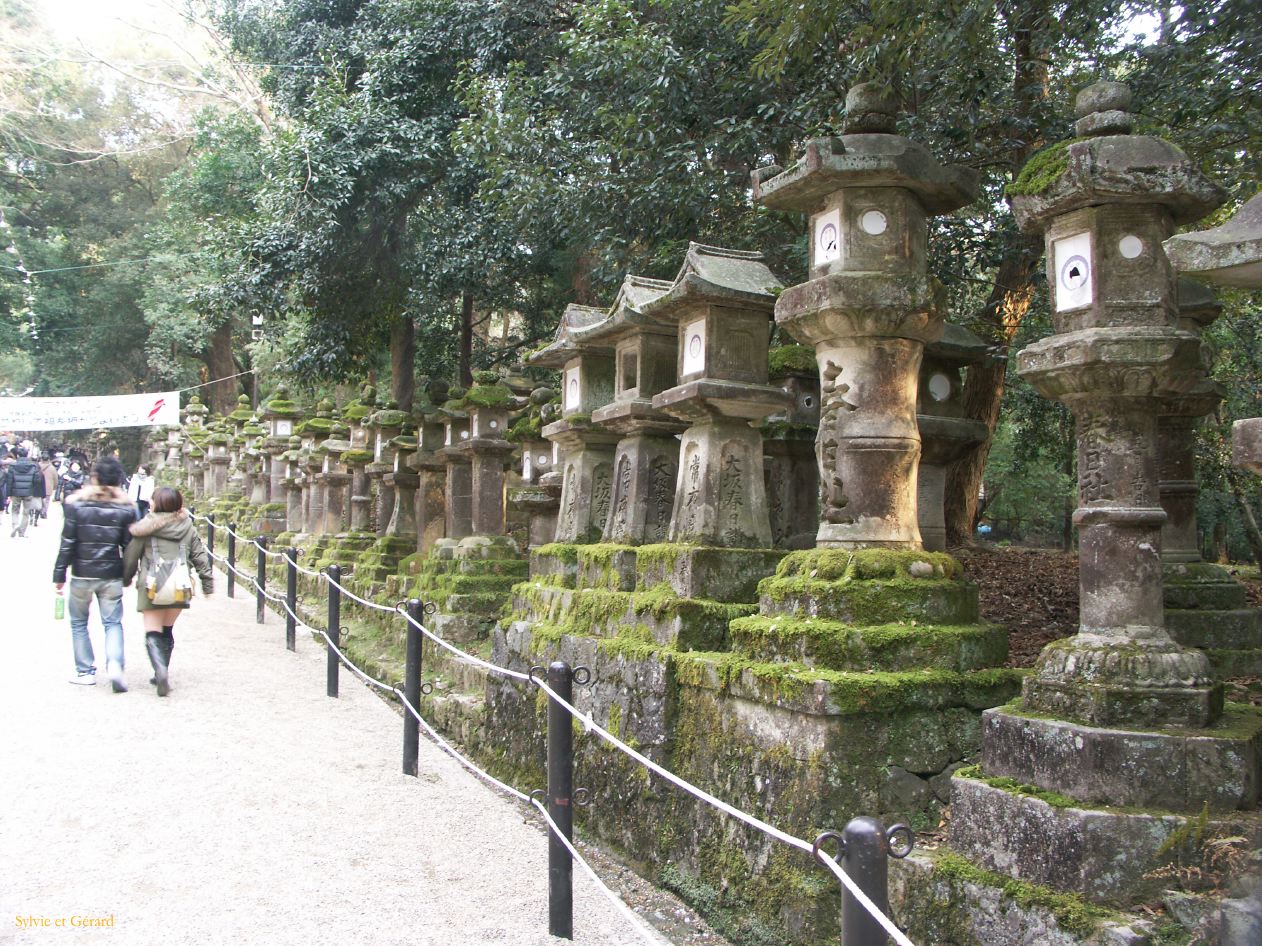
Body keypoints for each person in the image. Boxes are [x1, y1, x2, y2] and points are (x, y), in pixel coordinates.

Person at [53, 457, 138, 690]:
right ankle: (115, 665)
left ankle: (85, 671)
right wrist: (128, 574)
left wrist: (59, 575)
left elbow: (67, 542)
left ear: (95, 477)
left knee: (79, 623)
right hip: (111, 573)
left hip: (82, 572)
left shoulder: (76, 505)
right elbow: (129, 546)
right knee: (112, 623)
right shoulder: (127, 508)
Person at [122, 487, 212, 697]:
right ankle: (162, 669)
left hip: (152, 584)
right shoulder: (187, 526)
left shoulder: (146, 527)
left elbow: (131, 556)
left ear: (156, 504)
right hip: (180, 584)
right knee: (167, 630)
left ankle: (160, 670)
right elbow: (199, 555)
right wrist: (207, 582)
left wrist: (126, 578)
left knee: (152, 631)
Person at [3, 446, 46, 537]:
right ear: (27, 455)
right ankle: (22, 532)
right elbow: (37, 480)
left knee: (15, 510)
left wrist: (8, 494)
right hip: (29, 492)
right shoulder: (33, 466)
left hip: (15, 492)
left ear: (18, 455)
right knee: (26, 512)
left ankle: (15, 524)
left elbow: (9, 481)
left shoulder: (13, 466)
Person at [37, 455, 57, 523]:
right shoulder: (52, 468)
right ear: (48, 459)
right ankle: (44, 512)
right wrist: (54, 486)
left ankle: (39, 510)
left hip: (39, 486)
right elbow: (55, 479)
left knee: (39, 499)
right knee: (47, 500)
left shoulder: (37, 466)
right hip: (48, 486)